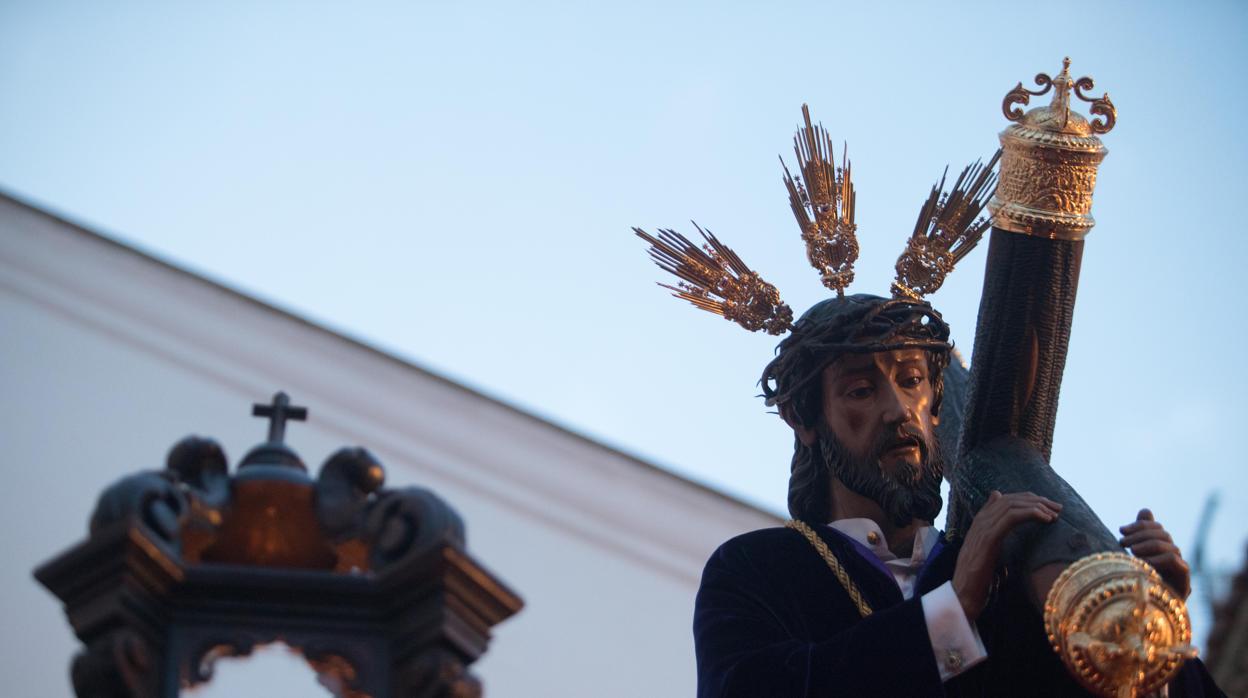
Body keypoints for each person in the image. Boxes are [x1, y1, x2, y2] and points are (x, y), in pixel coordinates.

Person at [691, 294, 1221, 697]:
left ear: (938, 406)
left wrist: (1150, 635)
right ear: (804, 420)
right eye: (860, 390)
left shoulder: (1015, 583)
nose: (899, 410)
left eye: (912, 380)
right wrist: (952, 610)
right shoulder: (756, 571)